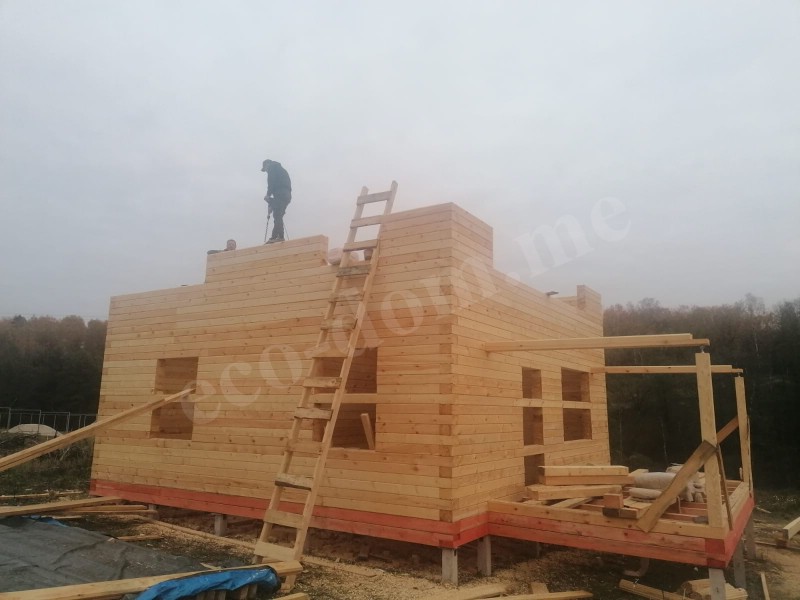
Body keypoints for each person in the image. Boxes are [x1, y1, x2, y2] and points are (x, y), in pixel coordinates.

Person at [261, 159, 291, 243]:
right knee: (278, 215)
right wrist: (271, 205)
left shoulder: (272, 167)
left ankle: (279, 236)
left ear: (267, 164)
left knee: (277, 215)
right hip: (286, 195)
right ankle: (276, 236)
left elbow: (271, 183)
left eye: (265, 169)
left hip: (281, 194)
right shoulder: (279, 169)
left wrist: (268, 195)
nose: (266, 171)